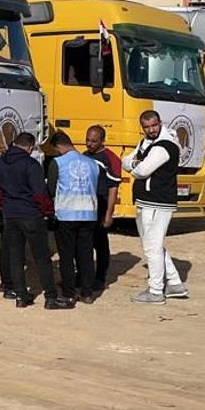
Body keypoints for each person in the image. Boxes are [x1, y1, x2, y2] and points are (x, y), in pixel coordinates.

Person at [0, 132, 75, 310]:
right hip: (31, 215)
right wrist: (49, 213)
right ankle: (50, 297)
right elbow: (40, 194)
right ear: (29, 147)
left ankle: (21, 296)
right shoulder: (31, 164)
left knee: (15, 257)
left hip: (10, 215)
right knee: (41, 257)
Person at [122, 110, 189, 305]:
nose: (151, 129)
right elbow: (126, 161)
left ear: (160, 123)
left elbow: (141, 171)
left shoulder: (164, 146)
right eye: (147, 127)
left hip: (158, 202)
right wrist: (136, 162)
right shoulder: (145, 143)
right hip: (146, 200)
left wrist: (135, 164)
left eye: (154, 125)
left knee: (152, 247)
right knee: (154, 244)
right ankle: (175, 284)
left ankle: (156, 291)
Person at [45, 131, 100, 303]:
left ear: (57, 146)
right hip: (89, 214)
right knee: (85, 254)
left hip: (66, 214)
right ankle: (87, 292)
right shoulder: (93, 163)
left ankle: (69, 292)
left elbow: (51, 189)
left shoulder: (58, 163)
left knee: (67, 255)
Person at [83, 125, 121, 293]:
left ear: (102, 140)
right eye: (88, 140)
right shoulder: (84, 156)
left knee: (100, 243)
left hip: (101, 204)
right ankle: (84, 275)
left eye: (93, 141)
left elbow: (113, 188)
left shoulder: (109, 159)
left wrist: (109, 214)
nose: (89, 144)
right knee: (84, 243)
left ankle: (100, 277)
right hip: (85, 206)